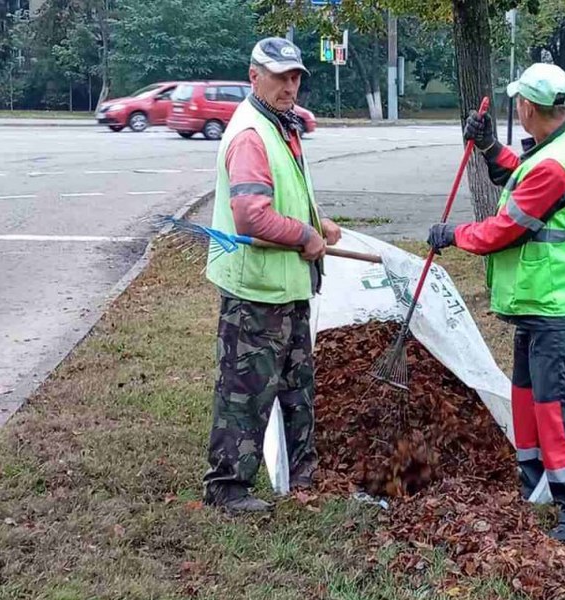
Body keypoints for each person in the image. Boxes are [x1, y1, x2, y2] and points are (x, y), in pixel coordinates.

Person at [427, 63, 565, 542]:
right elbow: (519, 176)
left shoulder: (556, 164)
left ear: (527, 107)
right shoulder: (560, 144)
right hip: (543, 297)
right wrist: (488, 147)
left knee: (551, 403)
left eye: (518, 104)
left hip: (556, 302)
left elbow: (505, 229)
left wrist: (454, 234)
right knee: (526, 396)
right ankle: (534, 482)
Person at [203, 37, 342, 513]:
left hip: (288, 286)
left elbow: (281, 195)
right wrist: (305, 236)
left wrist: (317, 222)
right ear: (253, 76)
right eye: (281, 76)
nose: (290, 86)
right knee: (245, 393)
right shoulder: (250, 135)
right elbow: (250, 216)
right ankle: (227, 487)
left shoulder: (280, 126)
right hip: (256, 290)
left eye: (296, 76)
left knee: (296, 386)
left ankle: (303, 473)